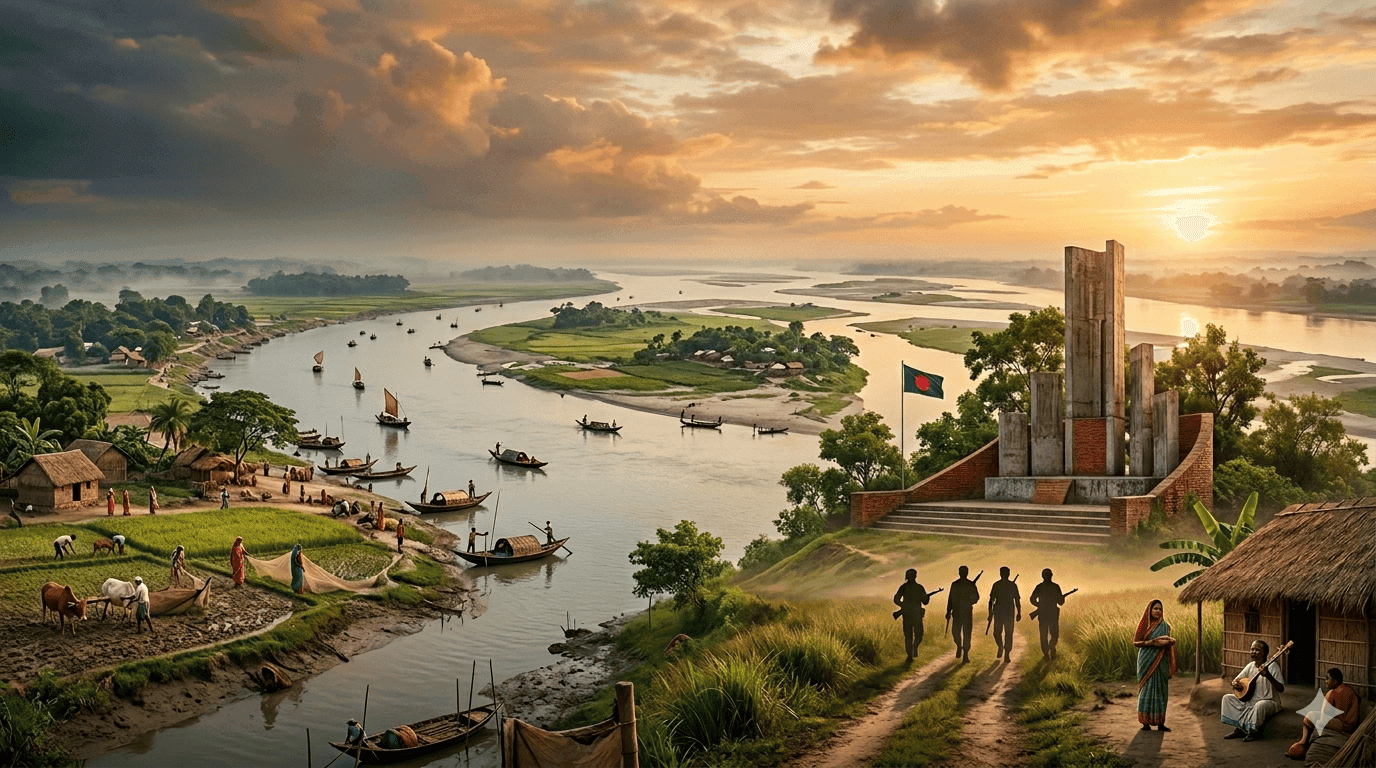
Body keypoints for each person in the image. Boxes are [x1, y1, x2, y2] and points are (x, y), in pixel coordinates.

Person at [1289, 668, 1360, 760]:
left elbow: (1327, 714)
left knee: (1310, 716)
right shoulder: (1345, 689)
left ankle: (1304, 743)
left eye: (1327, 679)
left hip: (1345, 725)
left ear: (1334, 681)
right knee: (1313, 716)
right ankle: (1304, 743)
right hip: (1345, 723)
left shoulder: (1336, 692)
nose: (1325, 681)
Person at [1222, 639, 1285, 741]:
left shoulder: (1272, 666)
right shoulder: (1250, 666)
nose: (1253, 652)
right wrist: (1235, 685)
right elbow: (1235, 681)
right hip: (1250, 700)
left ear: (1265, 652)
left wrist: (1268, 675)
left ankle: (1253, 731)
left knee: (1259, 705)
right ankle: (1239, 729)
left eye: (1257, 650)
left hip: (1269, 701)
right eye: (1252, 649)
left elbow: (1281, 689)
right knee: (1227, 698)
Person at [1133, 599, 1176, 731]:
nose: (1158, 611)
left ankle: (1160, 723)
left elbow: (1168, 644)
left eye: (1160, 609)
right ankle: (1145, 723)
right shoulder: (1143, 625)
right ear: (1149, 610)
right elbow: (1136, 643)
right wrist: (1153, 642)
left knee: (1161, 690)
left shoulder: (1165, 626)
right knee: (1147, 689)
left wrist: (1170, 641)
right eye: (1155, 609)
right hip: (1146, 660)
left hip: (1161, 660)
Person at [893, 568, 931, 661]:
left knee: (913, 635)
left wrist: (927, 597)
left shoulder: (915, 587)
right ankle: (911, 653)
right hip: (912, 614)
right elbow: (896, 599)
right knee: (912, 635)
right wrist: (904, 605)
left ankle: (912, 650)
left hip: (912, 614)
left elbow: (925, 602)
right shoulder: (911, 587)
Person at [1029, 569, 1066, 659]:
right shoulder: (1055, 587)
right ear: (1051, 575)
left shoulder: (1039, 587)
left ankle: (1046, 653)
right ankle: (1051, 648)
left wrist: (1040, 606)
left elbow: (1032, 599)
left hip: (1043, 614)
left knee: (1043, 634)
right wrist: (1062, 598)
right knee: (1054, 634)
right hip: (1052, 613)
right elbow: (1060, 603)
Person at [945, 565, 980, 662]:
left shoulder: (971, 585)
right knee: (955, 633)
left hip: (967, 612)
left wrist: (969, 601)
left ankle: (965, 654)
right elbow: (950, 599)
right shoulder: (955, 584)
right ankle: (959, 646)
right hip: (956, 613)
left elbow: (976, 597)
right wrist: (948, 611)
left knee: (967, 634)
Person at [988, 566, 1021, 661]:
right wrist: (990, 613)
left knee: (1008, 633)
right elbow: (991, 600)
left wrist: (1019, 612)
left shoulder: (1012, 586)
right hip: (999, 612)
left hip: (1009, 612)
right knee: (997, 633)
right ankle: (1001, 647)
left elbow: (1017, 600)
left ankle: (1007, 653)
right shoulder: (997, 585)